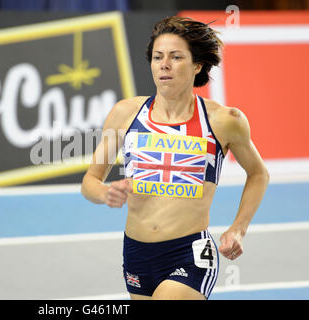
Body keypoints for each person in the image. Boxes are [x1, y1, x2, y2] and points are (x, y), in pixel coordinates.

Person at [80, 16, 269, 300]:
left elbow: (258, 174)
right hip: (136, 253)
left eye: (175, 57)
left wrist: (238, 229)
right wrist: (107, 193)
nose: (164, 64)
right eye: (158, 57)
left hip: (189, 253)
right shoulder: (125, 114)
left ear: (197, 65)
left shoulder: (224, 121)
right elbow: (90, 181)